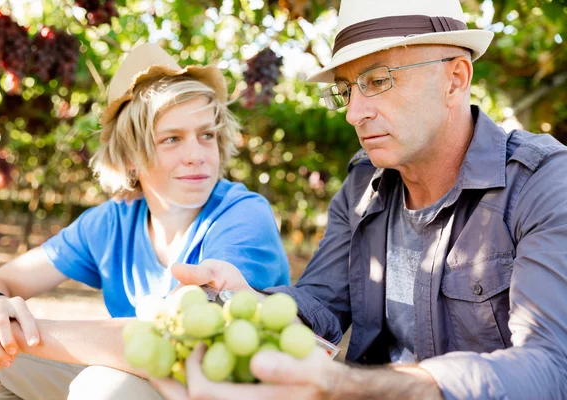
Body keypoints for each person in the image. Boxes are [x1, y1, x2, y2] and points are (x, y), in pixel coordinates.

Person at [151, 1, 567, 399]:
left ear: (455, 79)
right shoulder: (361, 185)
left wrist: (351, 387)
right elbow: (321, 304)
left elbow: (551, 368)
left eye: (378, 80)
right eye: (347, 89)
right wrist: (250, 303)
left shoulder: (543, 185)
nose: (354, 113)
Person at [0, 43, 290, 399]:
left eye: (206, 135)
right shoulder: (110, 223)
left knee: (105, 389)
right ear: (130, 156)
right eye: (172, 139)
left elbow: (176, 338)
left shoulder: (243, 215)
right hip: (153, 379)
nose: (197, 156)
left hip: (224, 388)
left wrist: (20, 333)